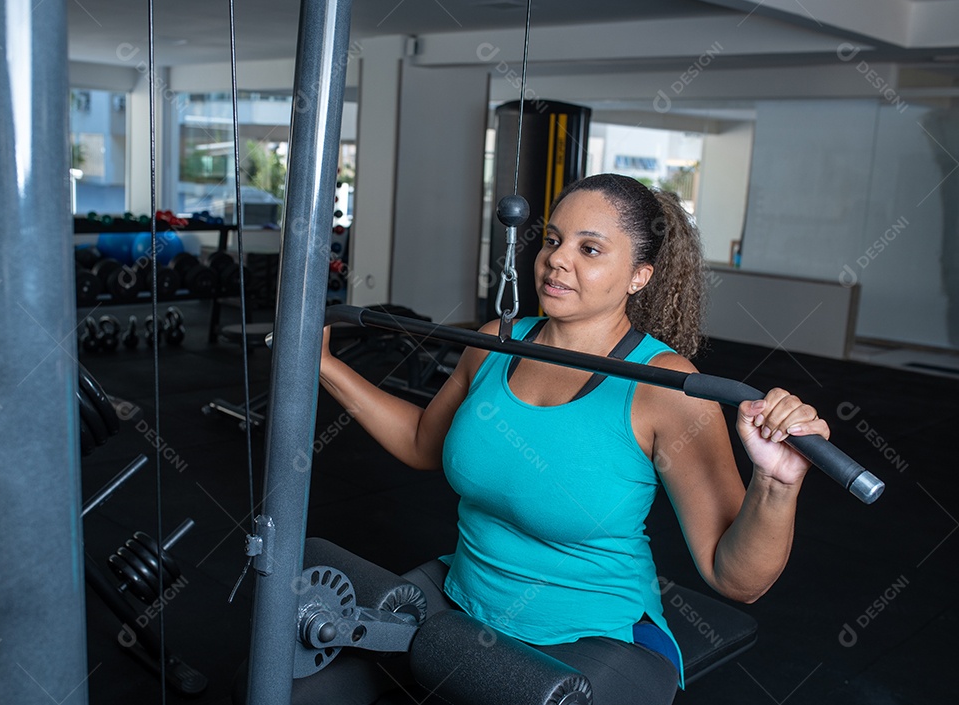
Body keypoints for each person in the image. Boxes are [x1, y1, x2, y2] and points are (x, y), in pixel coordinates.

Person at [315, 173, 830, 705]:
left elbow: (735, 578)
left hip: (599, 636)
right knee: (299, 680)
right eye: (554, 240)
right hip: (462, 596)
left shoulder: (668, 386)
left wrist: (776, 483)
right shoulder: (496, 341)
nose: (557, 260)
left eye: (590, 249)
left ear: (639, 275)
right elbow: (424, 441)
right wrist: (324, 366)